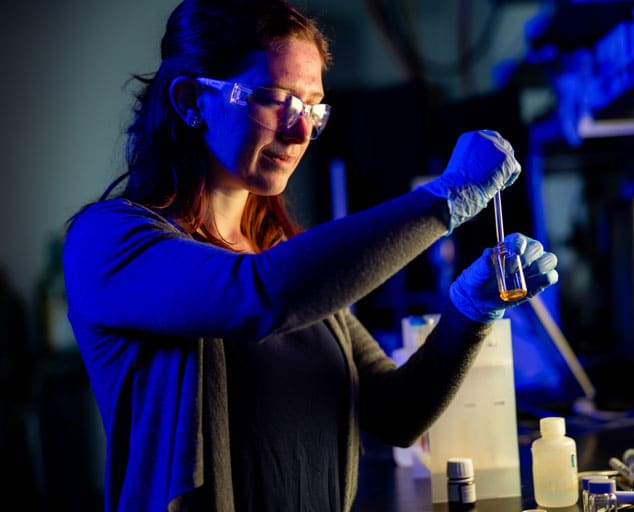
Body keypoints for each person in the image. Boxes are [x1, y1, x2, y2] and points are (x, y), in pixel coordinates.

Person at [63, 0, 559, 510]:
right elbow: (257, 294)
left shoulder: (282, 256)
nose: (300, 132)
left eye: (312, 108)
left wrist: (469, 310)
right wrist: (446, 198)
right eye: (276, 99)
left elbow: (396, 415)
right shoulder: (109, 242)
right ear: (191, 100)